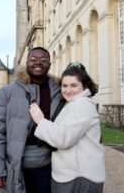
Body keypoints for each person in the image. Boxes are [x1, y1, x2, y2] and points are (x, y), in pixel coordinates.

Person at [0, 47, 63, 193]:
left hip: (50, 166)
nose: (38, 63)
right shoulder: (7, 92)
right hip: (15, 165)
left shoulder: (59, 92)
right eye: (33, 60)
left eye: (43, 60)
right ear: (26, 63)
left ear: (50, 64)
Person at [29, 62, 105, 193]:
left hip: (78, 177)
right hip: (74, 173)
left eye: (74, 85)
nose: (68, 90)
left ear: (84, 86)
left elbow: (62, 138)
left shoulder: (81, 105)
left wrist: (40, 120)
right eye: (64, 86)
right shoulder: (73, 103)